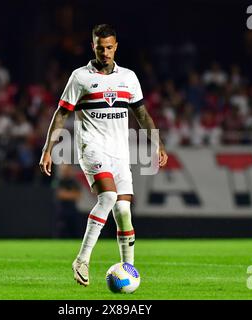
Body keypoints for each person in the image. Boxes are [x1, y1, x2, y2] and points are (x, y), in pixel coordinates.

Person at [39, 24, 168, 286]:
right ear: (93, 47)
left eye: (110, 47)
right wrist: (47, 149)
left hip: (121, 151)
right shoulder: (80, 77)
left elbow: (141, 114)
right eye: (101, 47)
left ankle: (129, 269)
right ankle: (82, 259)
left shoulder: (129, 78)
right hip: (91, 147)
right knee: (108, 196)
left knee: (123, 210)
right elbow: (62, 113)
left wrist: (158, 144)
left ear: (116, 46)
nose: (106, 52)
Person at [53, 164, 82, 238]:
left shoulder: (74, 182)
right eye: (65, 170)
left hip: (72, 210)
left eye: (68, 170)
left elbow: (78, 195)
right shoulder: (58, 181)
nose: (66, 172)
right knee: (61, 230)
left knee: (74, 231)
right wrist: (71, 194)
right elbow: (60, 194)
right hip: (61, 210)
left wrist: (66, 194)